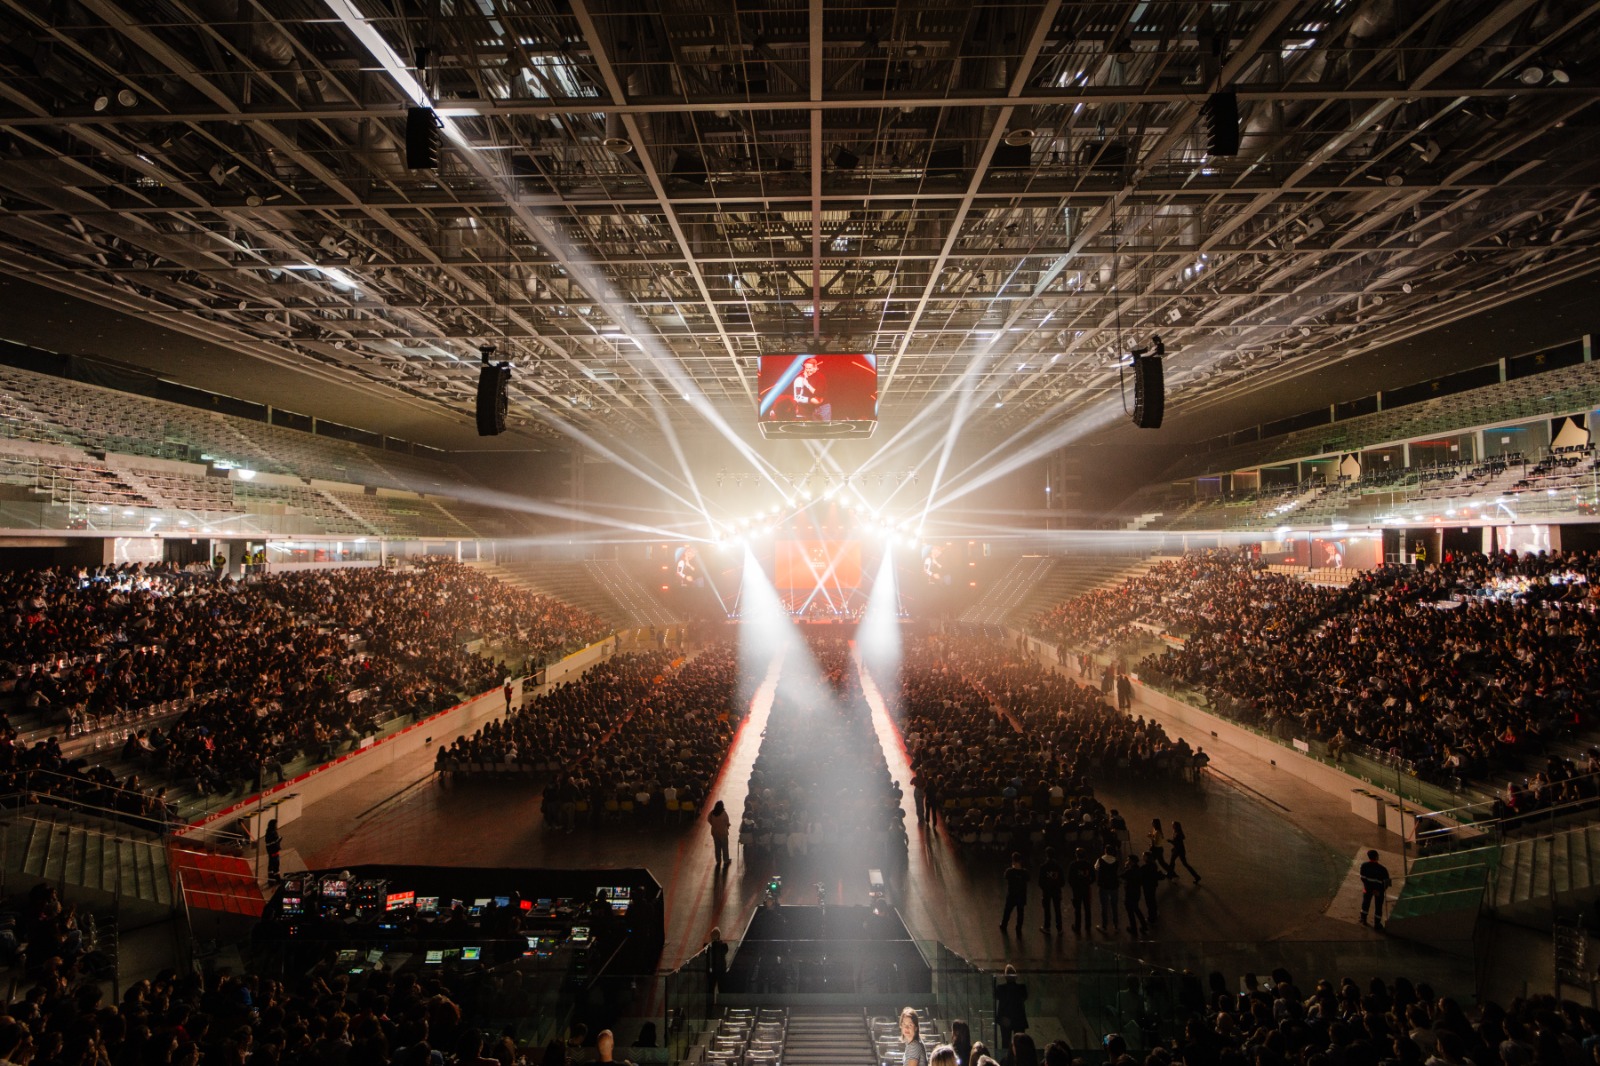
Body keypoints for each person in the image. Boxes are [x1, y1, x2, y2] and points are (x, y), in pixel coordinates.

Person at [994, 966, 1028, 1053]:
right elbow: (1024, 997)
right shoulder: (1021, 988)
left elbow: (997, 996)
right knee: (1021, 1044)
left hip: (1005, 1019)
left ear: (1005, 976)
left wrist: (1001, 1018)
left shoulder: (1000, 989)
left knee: (1006, 1043)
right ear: (1015, 976)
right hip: (1018, 1019)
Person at [1359, 849, 1392, 930]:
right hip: (1379, 891)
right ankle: (1377, 924)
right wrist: (1379, 890)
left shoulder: (1364, 866)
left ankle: (1363, 919)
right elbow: (1387, 883)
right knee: (1378, 907)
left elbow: (1363, 878)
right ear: (1377, 857)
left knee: (1365, 904)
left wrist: (1368, 888)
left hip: (1368, 889)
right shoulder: (1383, 869)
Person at [1000, 852, 1029, 935]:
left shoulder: (1009, 872)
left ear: (1013, 861)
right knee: (1020, 913)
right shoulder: (1025, 873)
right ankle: (1018, 928)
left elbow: (1005, 876)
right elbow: (1028, 878)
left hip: (1012, 895)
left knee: (1007, 911)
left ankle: (1004, 925)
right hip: (1021, 896)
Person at [1066, 847, 1094, 934]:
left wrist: (1074, 886)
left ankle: (1077, 926)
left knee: (1077, 909)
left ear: (1076, 855)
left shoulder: (1073, 865)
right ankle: (1088, 926)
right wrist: (1088, 882)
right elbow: (1093, 877)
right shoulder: (1088, 864)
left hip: (1077, 889)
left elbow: (1070, 879)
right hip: (1086, 888)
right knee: (1087, 908)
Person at [1037, 847, 1065, 933]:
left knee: (1047, 909)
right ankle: (1059, 928)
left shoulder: (1043, 867)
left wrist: (1044, 887)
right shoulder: (1058, 867)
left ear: (1046, 855)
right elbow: (1062, 881)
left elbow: (1040, 881)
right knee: (1057, 909)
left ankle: (1047, 927)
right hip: (1056, 890)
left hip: (1047, 891)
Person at [1094, 844, 1121, 932]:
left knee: (1104, 906)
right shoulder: (1116, 861)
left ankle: (1104, 926)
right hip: (1114, 885)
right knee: (1114, 906)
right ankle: (1116, 925)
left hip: (1103, 885)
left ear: (1105, 850)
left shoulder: (1100, 860)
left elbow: (1096, 868)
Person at [706, 928, 728, 1005]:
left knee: (710, 989)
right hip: (721, 970)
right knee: (722, 988)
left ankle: (710, 1005)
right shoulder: (724, 946)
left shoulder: (708, 947)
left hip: (711, 971)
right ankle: (722, 1003)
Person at [707, 800, 731, 868]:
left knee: (717, 847)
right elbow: (727, 822)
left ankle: (718, 860)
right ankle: (726, 860)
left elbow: (708, 819)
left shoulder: (712, 813)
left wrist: (713, 824)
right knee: (725, 847)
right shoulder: (724, 813)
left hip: (715, 832)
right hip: (723, 832)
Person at [264, 819, 282, 883]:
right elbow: (274, 842)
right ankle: (277, 879)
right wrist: (279, 839)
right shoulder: (273, 833)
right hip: (274, 851)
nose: (276, 826)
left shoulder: (268, 832)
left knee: (271, 865)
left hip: (270, 852)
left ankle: (271, 879)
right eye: (275, 824)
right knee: (276, 865)